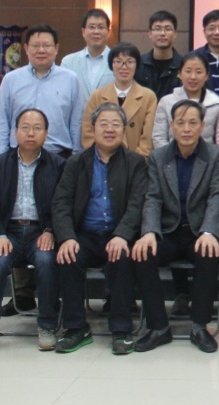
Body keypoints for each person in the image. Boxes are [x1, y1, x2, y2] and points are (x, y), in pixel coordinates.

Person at [132, 99, 219, 354]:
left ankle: (199, 327)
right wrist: (149, 232)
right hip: (169, 231)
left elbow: (217, 197)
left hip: (199, 231)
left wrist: (209, 231)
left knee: (209, 253)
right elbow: (152, 197)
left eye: (193, 123)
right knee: (142, 254)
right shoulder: (158, 156)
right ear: (171, 126)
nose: (186, 129)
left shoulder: (216, 155)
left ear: (202, 126)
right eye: (181, 123)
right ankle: (158, 327)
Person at [52, 102, 149, 355]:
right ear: (93, 128)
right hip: (84, 235)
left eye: (116, 124)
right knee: (68, 256)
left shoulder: (136, 163)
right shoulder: (76, 162)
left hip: (117, 234)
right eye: (103, 124)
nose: (109, 129)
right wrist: (67, 237)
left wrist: (122, 235)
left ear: (124, 130)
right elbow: (61, 203)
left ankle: (121, 330)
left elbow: (137, 204)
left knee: (122, 257)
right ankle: (76, 328)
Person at [0, 107, 65, 355]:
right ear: (15, 132)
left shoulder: (58, 164)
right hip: (9, 232)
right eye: (25, 128)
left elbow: (62, 204)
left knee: (46, 261)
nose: (30, 133)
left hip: (41, 232)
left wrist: (51, 230)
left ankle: (47, 326)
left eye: (37, 128)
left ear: (46, 133)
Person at [0, 24, 82, 157]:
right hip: (18, 156)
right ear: (26, 48)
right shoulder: (11, 80)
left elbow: (76, 123)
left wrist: (76, 157)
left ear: (56, 48)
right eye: (35, 46)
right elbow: (1, 121)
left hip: (59, 156)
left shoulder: (71, 79)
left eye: (46, 45)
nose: (41, 50)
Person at [80, 42, 158, 156]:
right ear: (111, 65)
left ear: (137, 65)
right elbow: (88, 132)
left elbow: (148, 137)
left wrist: (136, 161)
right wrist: (100, 157)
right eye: (118, 62)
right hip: (101, 159)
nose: (124, 67)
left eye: (130, 62)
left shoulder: (148, 96)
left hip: (135, 161)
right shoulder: (97, 95)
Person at [152, 51, 219, 149]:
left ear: (207, 76)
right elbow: (159, 137)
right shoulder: (166, 102)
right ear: (180, 74)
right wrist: (170, 157)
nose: (193, 77)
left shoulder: (218, 105)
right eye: (188, 71)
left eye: (199, 72)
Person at [61, 8, 113, 113]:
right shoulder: (68, 62)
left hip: (108, 120)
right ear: (83, 32)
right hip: (77, 121)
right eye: (92, 27)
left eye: (101, 27)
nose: (96, 31)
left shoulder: (117, 61)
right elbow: (63, 96)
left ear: (108, 32)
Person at [135, 10, 184, 99]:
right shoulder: (138, 64)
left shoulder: (184, 65)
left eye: (167, 29)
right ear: (150, 33)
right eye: (157, 29)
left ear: (175, 34)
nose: (162, 33)